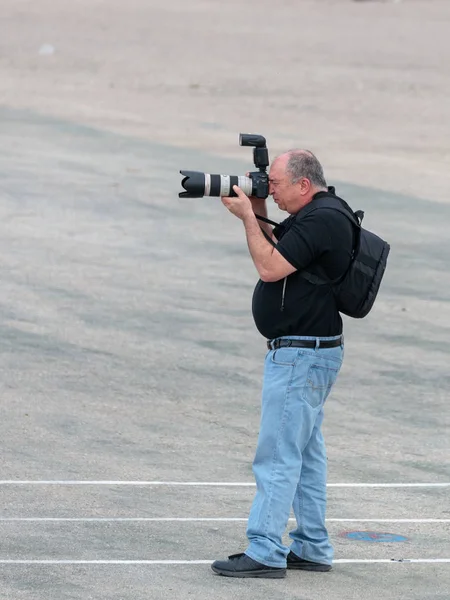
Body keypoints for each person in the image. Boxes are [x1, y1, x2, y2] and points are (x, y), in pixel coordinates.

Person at [211, 150, 354, 578]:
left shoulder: (323, 219)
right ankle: (312, 545)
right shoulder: (322, 213)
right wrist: (256, 210)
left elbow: (270, 267)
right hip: (309, 352)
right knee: (305, 454)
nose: (271, 190)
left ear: (304, 184)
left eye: (275, 183)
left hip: (301, 355)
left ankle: (266, 549)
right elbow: (283, 253)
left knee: (277, 455)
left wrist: (247, 220)